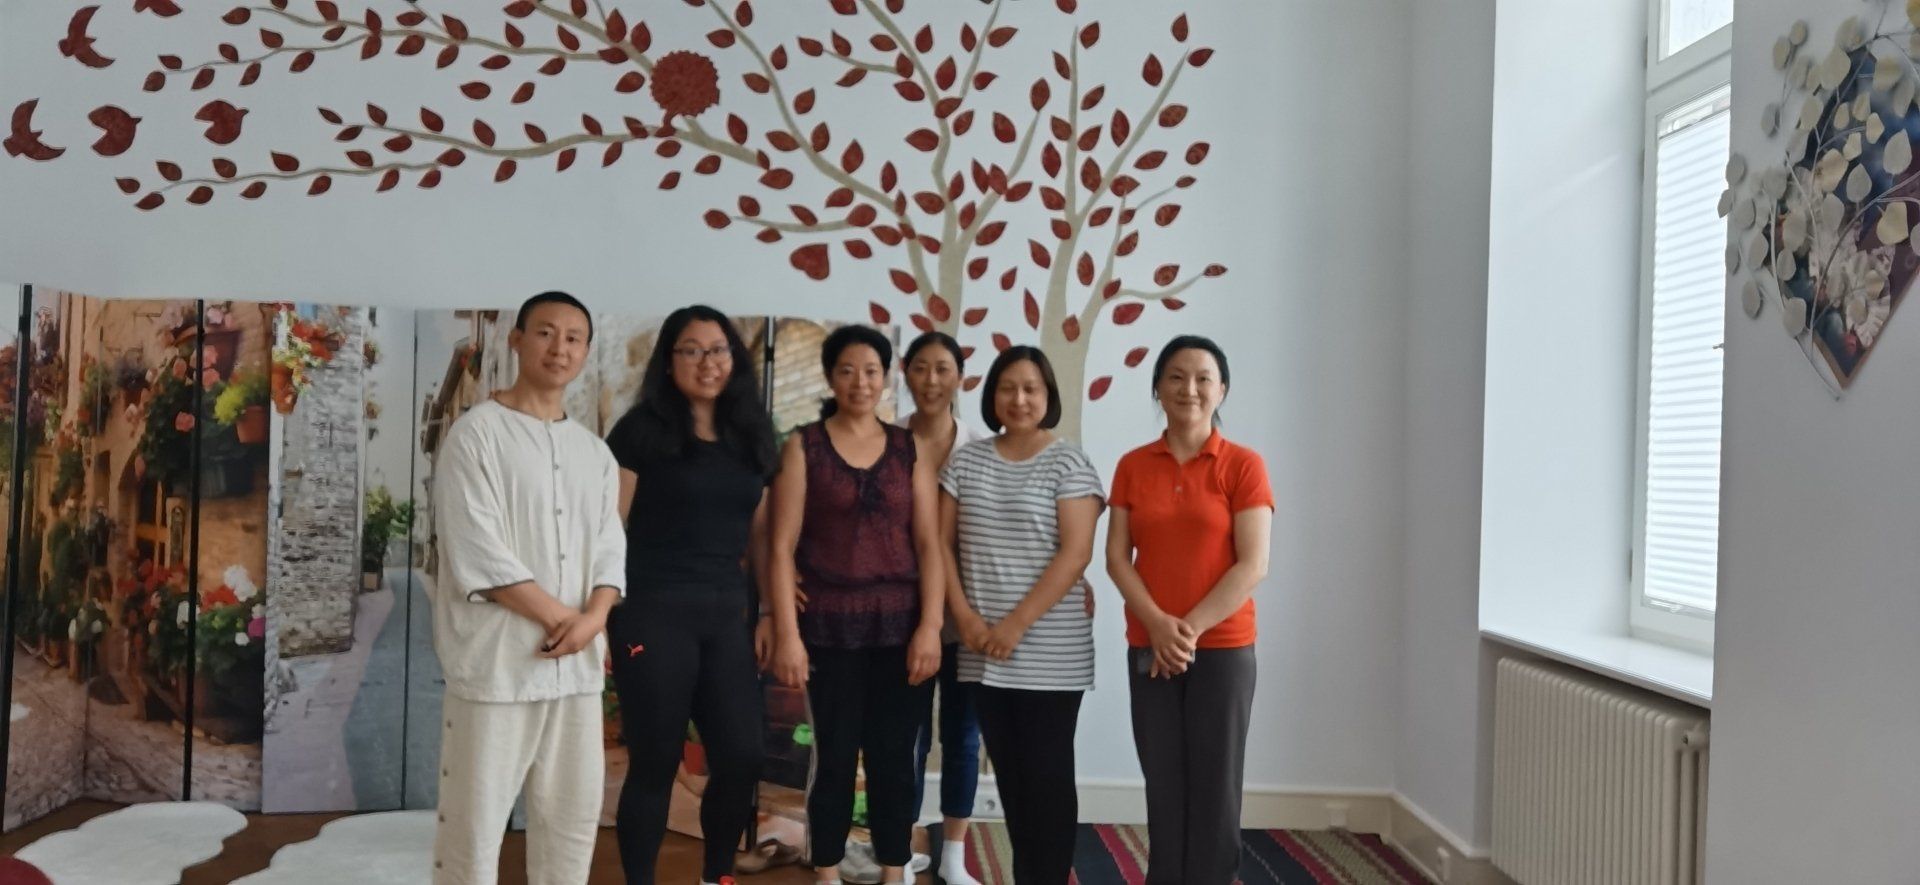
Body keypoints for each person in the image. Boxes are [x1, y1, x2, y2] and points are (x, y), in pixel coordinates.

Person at [429, 291, 627, 885]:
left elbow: (609, 545)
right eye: (545, 332)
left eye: (573, 337)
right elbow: (475, 547)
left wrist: (595, 617)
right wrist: (565, 620)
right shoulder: (476, 435)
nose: (559, 347)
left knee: (571, 823)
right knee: (474, 826)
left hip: (576, 673)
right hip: (496, 666)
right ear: (516, 340)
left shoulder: (595, 453)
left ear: (586, 351)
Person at [605, 306, 777, 885]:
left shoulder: (752, 434)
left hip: (726, 615)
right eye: (692, 350)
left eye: (718, 349)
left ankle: (716, 876)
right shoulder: (639, 432)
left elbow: (762, 537)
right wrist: (600, 613)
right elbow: (609, 527)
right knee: (655, 760)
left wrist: (768, 612)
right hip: (652, 613)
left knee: (743, 755)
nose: (708, 362)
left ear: (735, 358)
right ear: (668, 361)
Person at [768, 325, 944, 885]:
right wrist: (788, 634)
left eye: (871, 371)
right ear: (830, 377)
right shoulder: (804, 446)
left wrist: (931, 627)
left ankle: (894, 870)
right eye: (847, 370)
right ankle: (826, 871)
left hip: (901, 630)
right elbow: (780, 546)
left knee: (894, 758)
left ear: (887, 377)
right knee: (835, 757)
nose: (860, 382)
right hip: (828, 630)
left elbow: (929, 544)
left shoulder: (909, 448)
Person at [1105, 335, 1273, 885]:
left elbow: (1253, 564)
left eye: (1204, 378)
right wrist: (1157, 626)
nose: (1190, 389)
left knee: (1215, 784)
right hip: (1148, 645)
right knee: (1164, 780)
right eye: (1176, 377)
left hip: (1223, 648)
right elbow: (1117, 558)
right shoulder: (1133, 465)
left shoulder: (1243, 465)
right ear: (1158, 387)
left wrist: (1187, 631)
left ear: (1222, 389)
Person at [941, 346, 1103, 883]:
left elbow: (1075, 554)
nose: (1019, 398)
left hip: (1050, 653)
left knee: (1047, 780)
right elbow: (940, 546)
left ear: (1048, 396)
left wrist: (1015, 625)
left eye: (1031, 388)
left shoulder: (1069, 462)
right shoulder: (966, 462)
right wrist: (965, 619)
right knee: (1012, 780)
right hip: (982, 649)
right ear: (992, 396)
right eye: (1007, 387)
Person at [896, 332, 985, 885]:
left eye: (943, 369)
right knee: (906, 738)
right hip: (900, 615)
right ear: (905, 371)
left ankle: (952, 853)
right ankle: (901, 851)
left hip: (967, 615)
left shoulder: (980, 448)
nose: (932, 381)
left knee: (963, 736)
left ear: (960, 377)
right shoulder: (885, 441)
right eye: (921, 368)